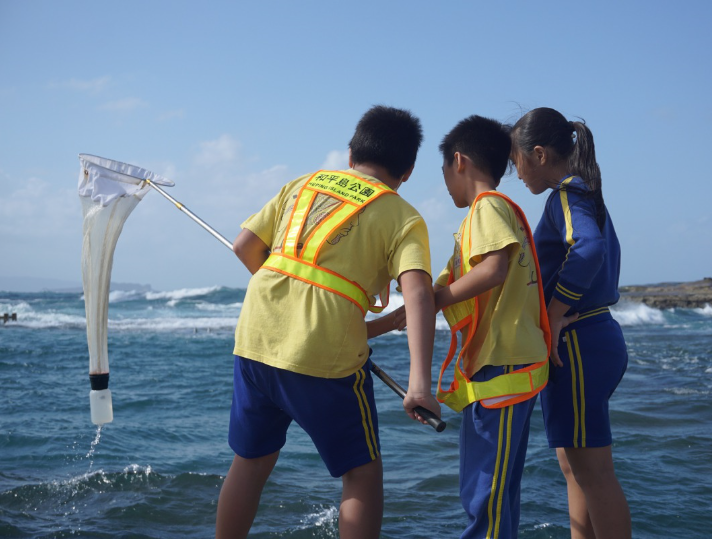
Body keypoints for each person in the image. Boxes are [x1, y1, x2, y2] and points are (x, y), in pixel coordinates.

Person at [215, 105, 441, 539]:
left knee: (251, 462)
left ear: (351, 151)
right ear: (408, 171)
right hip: (325, 359)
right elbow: (418, 295)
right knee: (361, 475)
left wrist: (290, 303)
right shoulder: (403, 216)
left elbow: (245, 247)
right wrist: (419, 387)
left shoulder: (302, 184)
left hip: (255, 338)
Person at [510, 107, 631, 539]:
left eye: (516, 160)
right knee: (575, 467)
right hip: (593, 340)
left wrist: (557, 312)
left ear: (538, 154)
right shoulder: (584, 194)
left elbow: (588, 249)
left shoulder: (566, 194)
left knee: (593, 474)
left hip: (579, 342)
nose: (516, 173)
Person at [435, 115, 552, 538]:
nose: (445, 184)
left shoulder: (487, 208)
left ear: (459, 161)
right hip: (501, 372)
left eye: (444, 172)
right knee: (493, 495)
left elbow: (494, 270)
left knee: (486, 500)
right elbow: (436, 295)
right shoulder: (485, 217)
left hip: (501, 373)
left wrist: (437, 298)